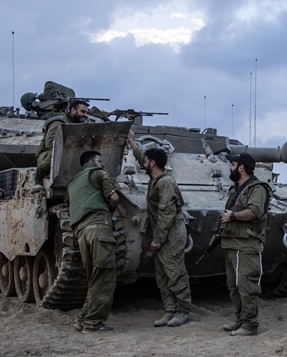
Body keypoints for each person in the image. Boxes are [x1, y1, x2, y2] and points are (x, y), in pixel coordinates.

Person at [127, 130, 192, 327]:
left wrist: (158, 239)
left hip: (170, 234)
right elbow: (142, 157)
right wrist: (131, 140)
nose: (142, 164)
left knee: (175, 272)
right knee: (162, 275)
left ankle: (183, 311)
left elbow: (167, 214)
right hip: (163, 233)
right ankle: (170, 310)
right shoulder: (156, 177)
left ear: (152, 164)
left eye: (146, 162)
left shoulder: (165, 183)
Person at [65, 150, 119, 333]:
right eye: (100, 160)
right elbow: (114, 198)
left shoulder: (72, 184)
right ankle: (93, 323)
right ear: (91, 162)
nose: (103, 164)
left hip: (81, 233)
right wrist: (109, 211)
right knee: (105, 277)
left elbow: (69, 205)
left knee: (94, 279)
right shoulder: (99, 174)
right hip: (99, 227)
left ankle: (82, 320)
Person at [219, 152, 271, 336]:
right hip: (232, 243)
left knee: (247, 286)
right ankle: (240, 319)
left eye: (232, 165)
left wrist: (233, 216)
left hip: (247, 244)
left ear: (241, 167)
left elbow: (255, 211)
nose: (230, 168)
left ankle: (249, 325)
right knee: (234, 286)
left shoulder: (257, 188)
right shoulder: (236, 188)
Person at [32, 99, 90, 191]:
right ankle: (38, 179)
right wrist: (70, 148)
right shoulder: (58, 122)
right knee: (58, 152)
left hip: (71, 154)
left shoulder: (81, 124)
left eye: (87, 112)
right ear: (73, 110)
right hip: (47, 156)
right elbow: (50, 144)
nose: (85, 115)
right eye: (82, 111)